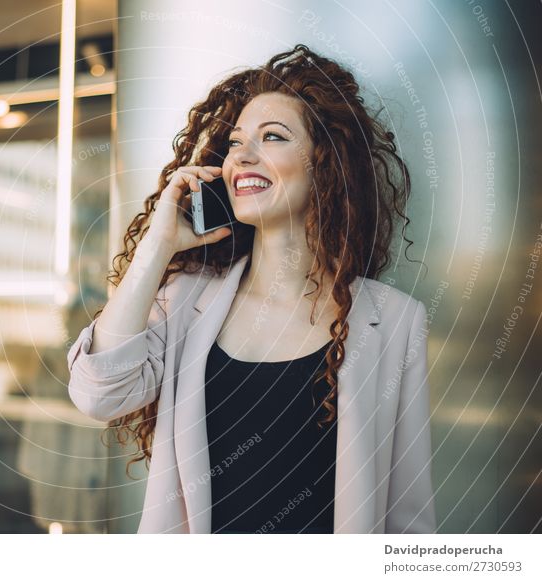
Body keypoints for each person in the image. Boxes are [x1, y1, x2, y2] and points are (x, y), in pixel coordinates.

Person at [67, 44, 436, 534]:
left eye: (273, 137)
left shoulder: (394, 321)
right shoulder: (185, 299)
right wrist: (157, 248)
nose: (243, 157)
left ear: (325, 163)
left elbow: (407, 516)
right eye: (237, 142)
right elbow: (97, 395)